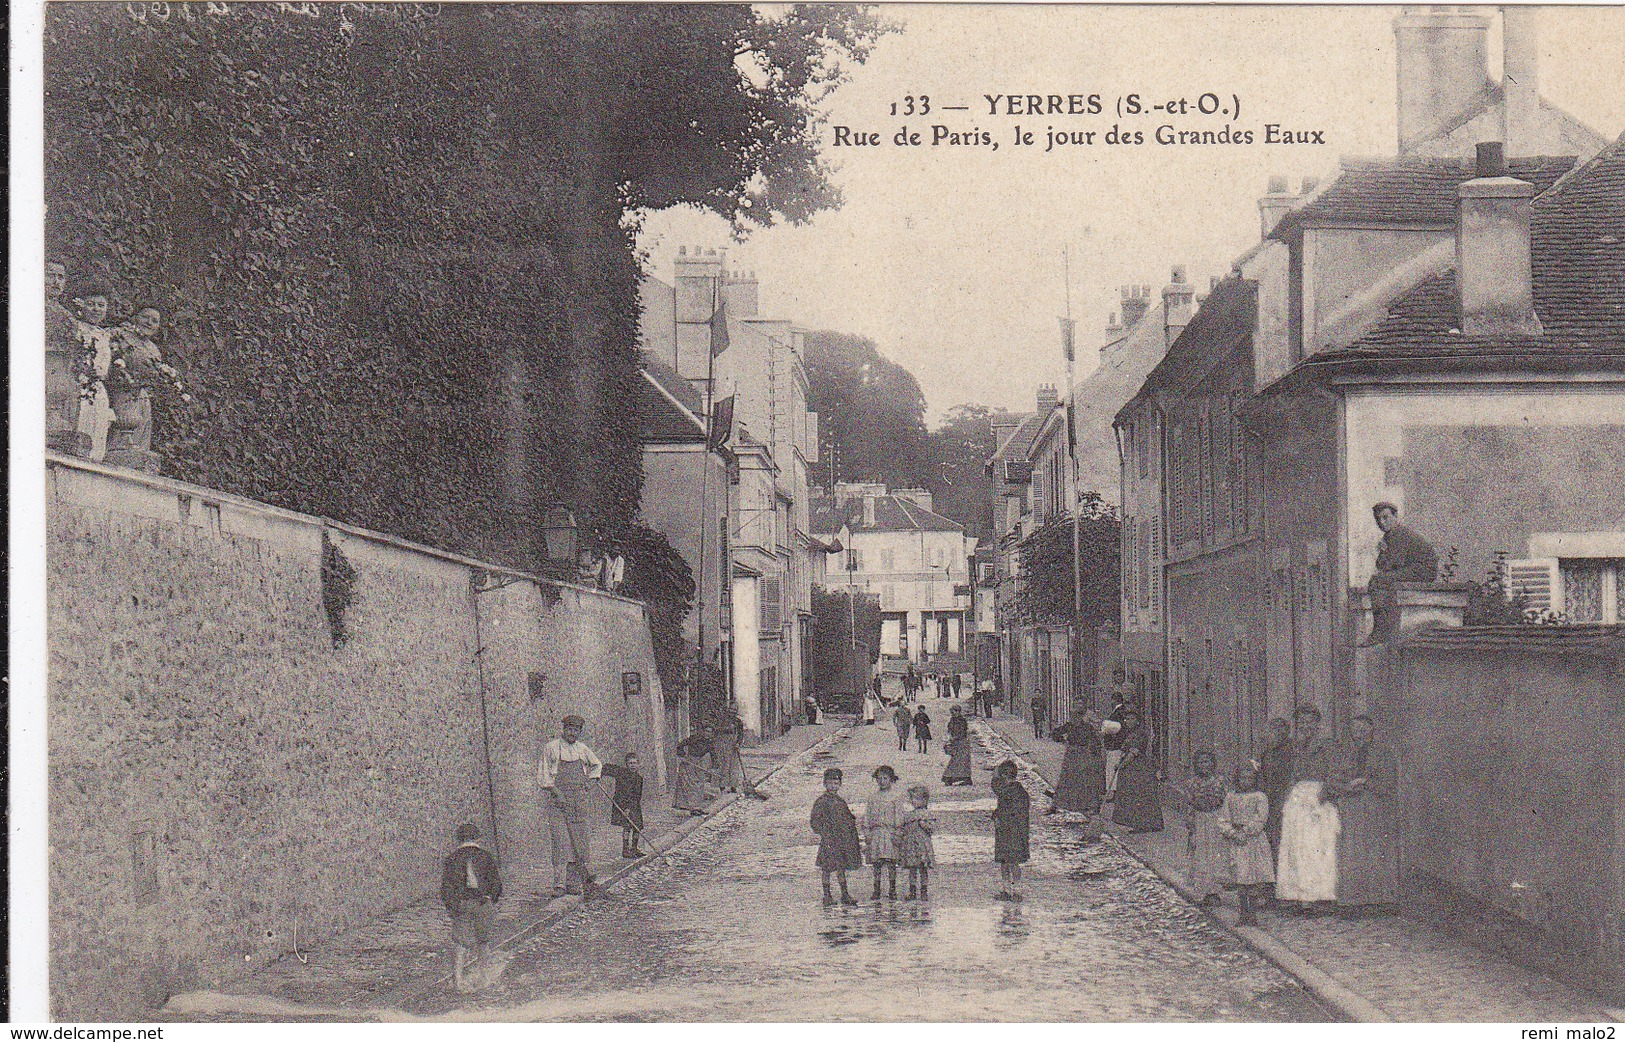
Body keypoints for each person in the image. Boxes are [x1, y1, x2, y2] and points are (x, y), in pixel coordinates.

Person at [1328, 714, 1399, 914]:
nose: (1359, 733)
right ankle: (1353, 902)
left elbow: (1389, 783)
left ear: (1371, 730)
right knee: (1351, 854)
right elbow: (1333, 778)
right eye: (1355, 729)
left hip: (1375, 809)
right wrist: (1345, 787)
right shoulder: (1344, 754)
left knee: (1375, 853)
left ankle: (1380, 901)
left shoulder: (1383, 753)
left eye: (1363, 729)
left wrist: (1366, 783)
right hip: (1350, 809)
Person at [1275, 705, 1339, 913]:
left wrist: (1326, 791)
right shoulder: (1293, 746)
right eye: (1302, 722)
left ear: (1317, 724)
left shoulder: (1326, 745)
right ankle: (1296, 894)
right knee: (1295, 845)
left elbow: (1333, 769)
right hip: (1298, 795)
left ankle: (1319, 895)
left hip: (1318, 794)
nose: (1306, 726)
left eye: (1310, 721)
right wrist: (1288, 794)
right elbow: (1291, 773)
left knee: (1317, 845)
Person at [539, 714, 603, 896]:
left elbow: (597, 766)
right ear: (564, 729)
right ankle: (559, 885)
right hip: (558, 802)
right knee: (561, 842)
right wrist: (556, 792)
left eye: (576, 730)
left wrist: (589, 785)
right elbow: (544, 775)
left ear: (579, 732)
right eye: (569, 729)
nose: (572, 733)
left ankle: (574, 883)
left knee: (579, 842)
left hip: (578, 803)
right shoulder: (551, 748)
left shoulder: (582, 750)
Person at [1360, 502, 1438, 646]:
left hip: (1422, 570)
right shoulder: (1391, 536)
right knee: (1381, 581)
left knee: (1377, 582)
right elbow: (1383, 566)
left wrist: (1384, 553)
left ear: (1395, 516)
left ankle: (1379, 631)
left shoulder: (1399, 534)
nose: (1382, 523)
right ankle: (1382, 630)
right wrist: (1384, 552)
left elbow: (1390, 566)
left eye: (1386, 517)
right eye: (1378, 519)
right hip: (1415, 569)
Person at [441, 823, 501, 992]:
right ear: (478, 838)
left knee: (460, 942)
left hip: (463, 904)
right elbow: (495, 883)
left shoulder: (452, 859)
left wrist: (453, 907)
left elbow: (447, 888)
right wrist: (491, 898)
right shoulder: (486, 857)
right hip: (482, 903)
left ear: (458, 840)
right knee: (483, 941)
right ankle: (485, 978)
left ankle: (458, 979)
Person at [1219, 762, 1275, 926]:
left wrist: (1247, 832)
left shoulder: (1259, 797)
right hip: (1237, 841)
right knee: (1241, 878)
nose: (1246, 781)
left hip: (1253, 841)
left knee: (1253, 878)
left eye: (1250, 778)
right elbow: (1224, 818)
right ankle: (1243, 913)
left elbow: (1260, 818)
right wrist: (1232, 833)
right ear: (1237, 779)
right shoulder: (1231, 797)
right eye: (1243, 778)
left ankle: (1253, 914)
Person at [70, 278, 116, 458]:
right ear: (82, 306)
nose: (96, 309)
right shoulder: (75, 328)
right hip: (79, 386)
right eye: (91, 304)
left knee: (97, 435)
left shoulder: (106, 335)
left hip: (98, 390)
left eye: (101, 305)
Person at [810, 767, 862, 906]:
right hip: (828, 841)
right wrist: (824, 832)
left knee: (841, 867)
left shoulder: (840, 801)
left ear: (840, 785)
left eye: (836, 783)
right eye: (830, 783)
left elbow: (847, 818)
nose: (833, 786)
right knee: (826, 868)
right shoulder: (821, 802)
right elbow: (814, 821)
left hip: (841, 841)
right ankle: (827, 895)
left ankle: (845, 894)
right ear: (824, 784)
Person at [1184, 749, 1229, 907]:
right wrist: (1190, 823)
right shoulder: (1191, 783)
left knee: (1216, 856)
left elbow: (1225, 802)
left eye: (1207, 762)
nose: (1204, 765)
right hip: (1200, 820)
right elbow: (1189, 804)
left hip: (1215, 820)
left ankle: (1215, 892)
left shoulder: (1219, 782)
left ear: (1213, 764)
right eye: (1201, 762)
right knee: (1201, 855)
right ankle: (1202, 891)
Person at [1048, 708, 1113, 816]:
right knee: (1065, 781)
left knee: (1085, 783)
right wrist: (1062, 739)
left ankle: (1091, 807)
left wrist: (1095, 756)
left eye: (1076, 717)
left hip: (1084, 756)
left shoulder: (1087, 727)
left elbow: (1095, 742)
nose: (1074, 719)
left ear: (1081, 717)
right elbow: (1054, 734)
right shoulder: (1069, 726)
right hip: (1071, 755)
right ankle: (1056, 805)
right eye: (1073, 717)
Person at [1110, 709, 1164, 833]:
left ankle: (1142, 824)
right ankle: (1134, 823)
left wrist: (1121, 765)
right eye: (1127, 719)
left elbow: (1133, 754)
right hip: (1130, 769)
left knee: (1137, 795)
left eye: (1132, 719)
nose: (1129, 721)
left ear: (1137, 721)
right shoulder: (1130, 733)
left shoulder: (1139, 734)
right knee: (1131, 796)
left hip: (1138, 769)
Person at [864, 765, 907, 901]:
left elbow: (899, 816)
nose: (882, 781)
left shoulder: (896, 797)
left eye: (885, 778)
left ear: (891, 779)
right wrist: (867, 831)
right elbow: (868, 815)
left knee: (890, 862)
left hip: (889, 833)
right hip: (876, 833)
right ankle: (876, 889)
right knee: (876, 863)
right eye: (879, 778)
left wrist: (898, 832)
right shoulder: (872, 797)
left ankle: (892, 889)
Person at [991, 760, 1030, 901]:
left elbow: (997, 789)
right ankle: (1011, 890)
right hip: (1012, 832)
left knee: (1008, 862)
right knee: (1009, 862)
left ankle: (1011, 890)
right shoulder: (1019, 790)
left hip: (1009, 832)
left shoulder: (1009, 790)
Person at [1258, 717, 1294, 859]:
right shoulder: (1267, 752)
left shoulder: (1291, 750)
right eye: (1272, 731)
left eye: (1280, 730)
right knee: (1271, 837)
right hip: (1270, 799)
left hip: (1285, 798)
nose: (1276, 733)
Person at [601, 752, 646, 859]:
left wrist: (633, 807)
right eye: (630, 763)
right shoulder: (621, 773)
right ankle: (625, 850)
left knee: (637, 826)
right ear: (626, 764)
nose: (633, 765)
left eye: (635, 763)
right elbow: (607, 767)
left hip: (634, 804)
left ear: (638, 765)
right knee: (627, 827)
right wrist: (598, 774)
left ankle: (634, 848)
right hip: (622, 804)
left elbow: (637, 795)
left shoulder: (639, 778)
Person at [897, 785, 937, 900]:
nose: (914, 801)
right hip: (911, 846)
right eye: (912, 799)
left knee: (923, 869)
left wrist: (925, 825)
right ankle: (912, 890)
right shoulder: (909, 815)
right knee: (912, 869)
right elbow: (904, 829)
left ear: (924, 800)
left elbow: (932, 829)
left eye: (917, 799)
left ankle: (924, 891)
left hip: (923, 845)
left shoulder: (927, 814)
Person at [672, 726, 720, 814]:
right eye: (706, 731)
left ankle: (697, 807)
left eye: (710, 732)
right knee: (691, 785)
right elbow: (680, 745)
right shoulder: (695, 738)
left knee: (700, 785)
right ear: (703, 731)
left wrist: (715, 767)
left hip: (699, 763)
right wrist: (682, 756)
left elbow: (713, 755)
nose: (708, 734)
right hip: (689, 762)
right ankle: (692, 807)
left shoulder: (710, 743)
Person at [1103, 674, 1132, 802]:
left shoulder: (1118, 712)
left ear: (1114, 700)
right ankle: (1113, 793)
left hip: (1115, 746)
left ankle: (1113, 794)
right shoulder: (1122, 711)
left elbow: (1116, 728)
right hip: (1117, 745)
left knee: (1113, 768)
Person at [712, 712, 747, 793]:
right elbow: (716, 733)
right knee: (724, 765)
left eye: (734, 710)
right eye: (730, 710)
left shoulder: (738, 722)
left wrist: (738, 743)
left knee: (733, 766)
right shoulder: (722, 721)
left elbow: (741, 734)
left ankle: (733, 785)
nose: (732, 712)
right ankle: (722, 785)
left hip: (733, 746)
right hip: (722, 746)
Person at [942, 705, 973, 785]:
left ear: (958, 711)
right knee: (956, 761)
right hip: (955, 743)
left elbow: (963, 732)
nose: (952, 714)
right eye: (951, 713)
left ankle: (955, 778)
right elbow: (950, 730)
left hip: (962, 743)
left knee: (960, 761)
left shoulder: (962, 721)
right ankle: (954, 778)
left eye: (954, 712)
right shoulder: (952, 720)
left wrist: (955, 737)